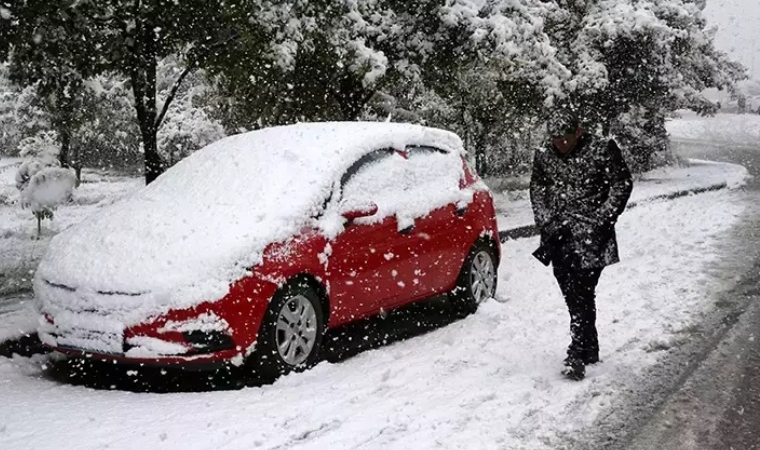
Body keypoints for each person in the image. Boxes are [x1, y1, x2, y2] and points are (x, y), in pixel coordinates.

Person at [529, 110, 633, 381]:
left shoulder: (602, 149)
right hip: (558, 234)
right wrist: (545, 220)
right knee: (569, 288)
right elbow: (537, 188)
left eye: (565, 138)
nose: (560, 144)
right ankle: (590, 346)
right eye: (555, 139)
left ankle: (576, 351)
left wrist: (603, 218)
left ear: (578, 131)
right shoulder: (544, 154)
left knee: (583, 289)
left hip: (592, 236)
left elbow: (622, 184)